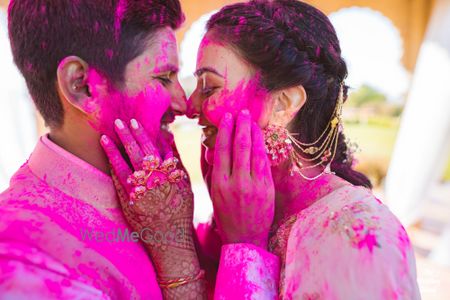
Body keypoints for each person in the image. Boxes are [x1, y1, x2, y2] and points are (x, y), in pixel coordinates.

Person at [0, 0, 279, 299]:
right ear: (82, 86)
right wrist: (244, 248)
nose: (183, 105)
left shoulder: (156, 188)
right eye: (163, 78)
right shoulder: (24, 259)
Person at [184, 0, 421, 299]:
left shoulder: (358, 234)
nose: (189, 107)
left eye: (209, 87)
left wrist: (245, 246)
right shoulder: (242, 209)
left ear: (283, 104)